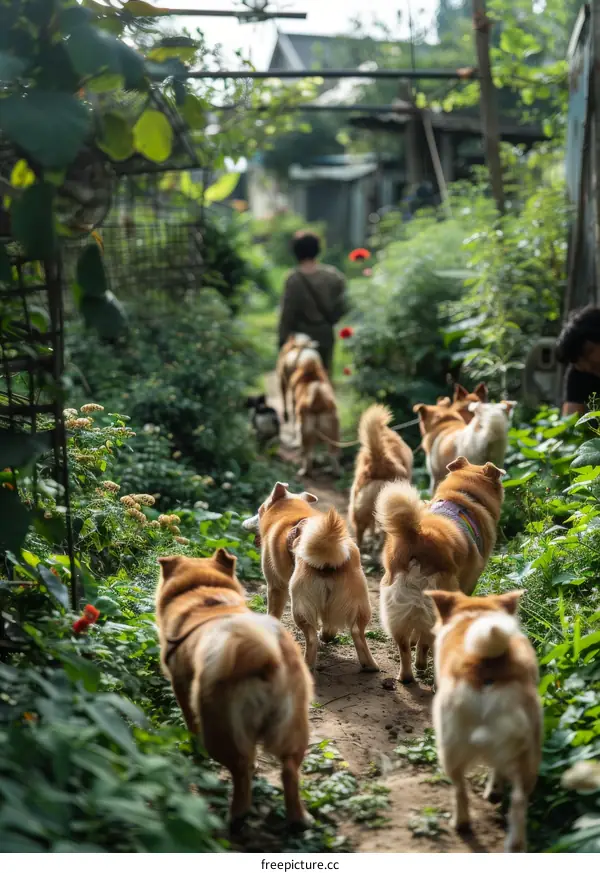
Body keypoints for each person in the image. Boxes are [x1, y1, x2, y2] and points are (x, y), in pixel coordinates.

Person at [278, 231, 348, 374]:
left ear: (296, 252)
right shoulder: (333, 276)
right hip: (325, 334)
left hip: (300, 338)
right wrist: (332, 320)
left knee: (301, 378)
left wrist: (282, 340)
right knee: (324, 375)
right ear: (318, 250)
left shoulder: (293, 279)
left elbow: (287, 314)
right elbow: (344, 304)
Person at [556, 304, 600, 416]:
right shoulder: (578, 374)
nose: (588, 366)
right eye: (579, 363)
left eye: (589, 351)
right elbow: (570, 421)